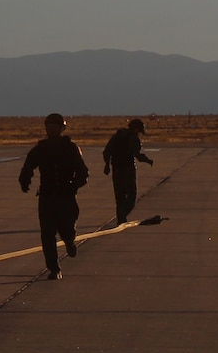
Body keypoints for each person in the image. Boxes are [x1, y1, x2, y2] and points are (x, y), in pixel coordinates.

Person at [18, 113, 89, 280]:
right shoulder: (41, 149)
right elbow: (28, 166)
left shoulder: (71, 148)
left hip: (66, 197)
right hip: (47, 197)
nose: (51, 130)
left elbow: (83, 173)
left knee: (67, 229)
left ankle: (70, 241)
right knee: (47, 234)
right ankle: (54, 268)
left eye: (54, 127)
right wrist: (24, 180)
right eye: (48, 127)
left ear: (62, 128)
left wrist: (74, 186)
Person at [103, 118, 154, 224]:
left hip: (116, 169)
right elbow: (137, 155)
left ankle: (121, 219)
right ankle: (122, 215)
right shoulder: (133, 138)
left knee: (119, 196)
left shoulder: (116, 136)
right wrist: (148, 160)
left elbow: (106, 151)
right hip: (128, 169)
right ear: (136, 129)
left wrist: (107, 165)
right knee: (131, 195)